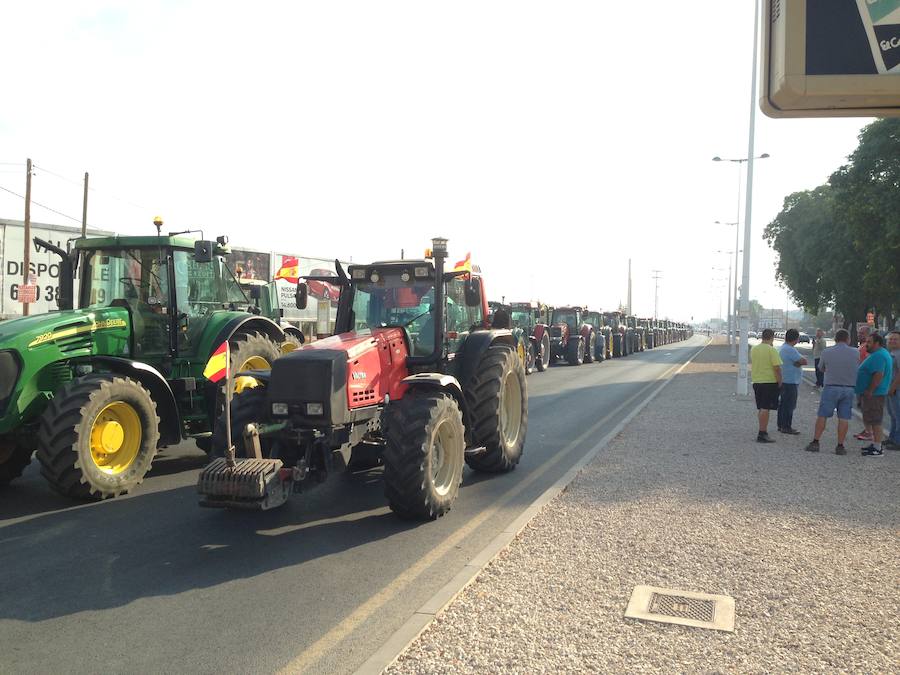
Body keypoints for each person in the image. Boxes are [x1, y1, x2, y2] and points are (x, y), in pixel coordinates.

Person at [805, 329, 859, 455]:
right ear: (848, 339)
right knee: (844, 417)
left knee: (823, 415)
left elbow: (821, 368)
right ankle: (840, 445)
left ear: (835, 339)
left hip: (831, 387)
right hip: (848, 388)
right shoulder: (855, 352)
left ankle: (815, 442)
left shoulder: (827, 352)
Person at [855, 332, 893, 457]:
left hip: (875, 394)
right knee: (872, 419)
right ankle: (875, 444)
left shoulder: (879, 356)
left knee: (876, 420)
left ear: (877, 343)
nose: (866, 344)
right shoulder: (878, 354)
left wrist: (870, 390)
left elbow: (878, 374)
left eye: (869, 342)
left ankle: (878, 448)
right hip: (874, 393)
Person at [750, 328, 783, 443]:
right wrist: (780, 381)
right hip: (769, 382)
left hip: (757, 381)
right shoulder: (772, 350)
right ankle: (762, 433)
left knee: (761, 408)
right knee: (766, 408)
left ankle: (762, 430)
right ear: (772, 337)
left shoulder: (754, 349)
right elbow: (777, 368)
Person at [777, 328, 807, 434]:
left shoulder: (783, 348)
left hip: (784, 379)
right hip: (790, 381)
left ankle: (781, 425)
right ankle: (786, 426)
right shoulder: (790, 349)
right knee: (789, 405)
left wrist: (797, 362)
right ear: (796, 339)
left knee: (783, 404)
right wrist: (798, 362)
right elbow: (804, 361)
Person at [854, 324, 874, 441]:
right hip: (860, 380)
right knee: (862, 407)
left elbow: (867, 362)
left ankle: (869, 431)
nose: (859, 335)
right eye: (859, 333)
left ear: (868, 334)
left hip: (865, 381)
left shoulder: (867, 347)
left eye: (862, 333)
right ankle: (867, 429)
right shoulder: (862, 345)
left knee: (866, 408)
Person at [885, 330, 900, 451]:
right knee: (892, 415)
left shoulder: (898, 354)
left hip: (896, 389)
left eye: (895, 339)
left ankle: (898, 441)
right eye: (890, 339)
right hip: (890, 389)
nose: (892, 341)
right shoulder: (891, 353)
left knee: (898, 415)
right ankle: (892, 437)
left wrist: (893, 387)